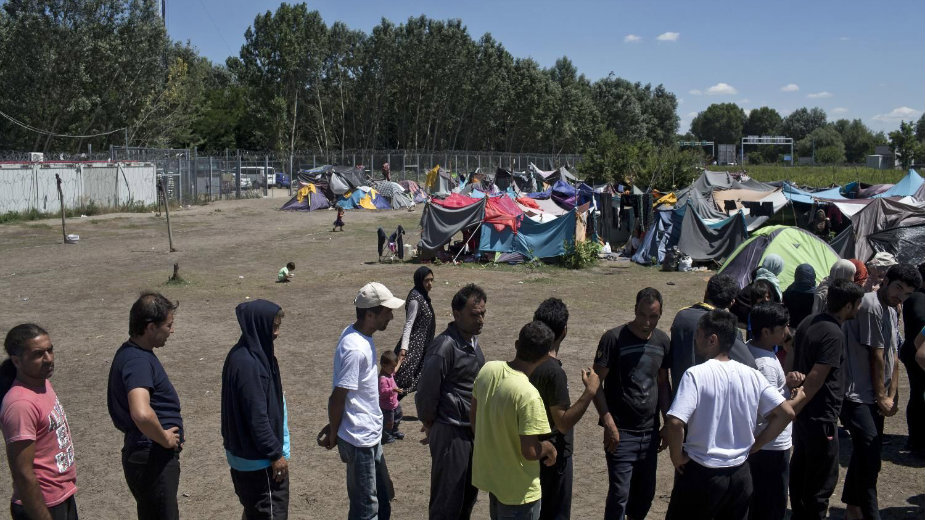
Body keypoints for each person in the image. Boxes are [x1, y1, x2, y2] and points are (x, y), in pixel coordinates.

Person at [663, 310, 796, 520]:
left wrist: (676, 455)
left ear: (712, 339)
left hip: (703, 472)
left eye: (698, 334)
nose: (695, 339)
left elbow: (675, 421)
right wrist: (757, 445)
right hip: (741, 474)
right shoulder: (752, 375)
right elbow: (786, 412)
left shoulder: (696, 374)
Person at [317, 282, 404, 520]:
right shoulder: (355, 348)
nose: (392, 317)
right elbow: (338, 396)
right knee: (366, 509)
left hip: (368, 432)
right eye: (387, 311)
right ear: (370, 313)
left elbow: (350, 394)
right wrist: (335, 431)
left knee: (383, 498)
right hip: (360, 439)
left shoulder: (360, 335)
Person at [840, 263, 920, 520]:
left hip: (874, 395)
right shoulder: (871, 305)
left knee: (868, 453)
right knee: (870, 453)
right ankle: (868, 513)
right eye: (898, 288)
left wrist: (893, 394)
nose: (901, 296)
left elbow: (893, 355)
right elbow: (875, 355)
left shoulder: (892, 311)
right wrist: (881, 396)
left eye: (907, 293)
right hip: (856, 393)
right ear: (886, 281)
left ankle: (853, 507)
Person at [592, 288, 672, 520]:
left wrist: (667, 422)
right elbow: (596, 384)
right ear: (634, 310)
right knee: (619, 496)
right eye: (642, 315)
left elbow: (663, 383)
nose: (647, 322)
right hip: (621, 433)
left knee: (645, 495)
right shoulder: (613, 339)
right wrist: (608, 422)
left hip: (649, 433)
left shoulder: (662, 341)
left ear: (660, 314)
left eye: (653, 316)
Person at [789, 278, 864, 520]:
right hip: (820, 415)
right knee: (821, 478)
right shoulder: (833, 333)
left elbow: (792, 356)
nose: (860, 308)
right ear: (849, 306)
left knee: (802, 467)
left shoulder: (809, 321)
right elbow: (815, 378)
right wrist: (792, 408)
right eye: (858, 304)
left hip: (804, 414)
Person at [107, 292, 183, 520]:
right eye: (168, 325)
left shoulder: (134, 353)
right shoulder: (137, 361)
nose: (172, 331)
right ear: (150, 327)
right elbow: (141, 413)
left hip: (147, 455)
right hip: (151, 457)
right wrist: (165, 439)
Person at [471, 321, 558, 519]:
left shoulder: (488, 370)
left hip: (494, 480)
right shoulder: (528, 395)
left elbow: (474, 418)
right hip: (520, 492)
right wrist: (549, 448)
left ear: (517, 344)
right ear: (545, 357)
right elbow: (529, 451)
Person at [415, 284, 487, 520]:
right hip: (451, 430)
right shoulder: (445, 346)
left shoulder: (473, 344)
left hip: (470, 431)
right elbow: (426, 391)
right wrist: (431, 422)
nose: (481, 320)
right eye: (474, 314)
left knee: (467, 496)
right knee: (447, 500)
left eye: (483, 314)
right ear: (457, 315)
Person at [529, 298, 599, 520]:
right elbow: (562, 422)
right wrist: (590, 392)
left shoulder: (526, 362)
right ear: (564, 330)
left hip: (532, 450)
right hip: (553, 456)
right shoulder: (553, 372)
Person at [221, 300, 290, 519]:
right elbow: (256, 416)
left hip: (249, 457)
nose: (277, 333)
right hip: (260, 462)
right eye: (273, 327)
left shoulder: (246, 355)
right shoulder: (249, 364)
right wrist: (275, 453)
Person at [1, 324, 78, 520]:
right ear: (17, 361)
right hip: (40, 506)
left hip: (62, 496)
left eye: (50, 350)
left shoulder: (42, 383)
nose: (49, 359)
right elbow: (23, 474)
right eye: (38, 354)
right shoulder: (20, 405)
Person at [745, 303, 808, 520]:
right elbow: (776, 413)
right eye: (782, 327)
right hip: (771, 444)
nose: (787, 332)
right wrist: (799, 396)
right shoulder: (767, 365)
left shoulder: (748, 349)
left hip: (760, 442)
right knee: (772, 506)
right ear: (766, 331)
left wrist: (786, 386)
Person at [668, 274, 757, 394]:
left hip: (680, 395)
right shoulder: (726, 328)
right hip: (708, 400)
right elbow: (749, 364)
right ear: (732, 303)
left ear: (706, 292)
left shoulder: (681, 316)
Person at [393, 267, 436, 394]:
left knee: (418, 378)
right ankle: (387, 407)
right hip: (413, 346)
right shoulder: (415, 299)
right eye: (427, 281)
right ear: (419, 281)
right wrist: (404, 349)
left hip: (422, 345)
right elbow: (408, 324)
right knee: (404, 378)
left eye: (432, 280)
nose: (430, 284)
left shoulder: (422, 296)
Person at [900, 262, 925, 456]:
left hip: (913, 350)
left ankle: (916, 438)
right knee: (918, 395)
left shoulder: (915, 296)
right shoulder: (917, 297)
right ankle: (916, 439)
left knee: (917, 395)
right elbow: (920, 319)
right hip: (916, 352)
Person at [378, 351, 404, 444]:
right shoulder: (383, 379)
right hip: (386, 406)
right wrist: (393, 390)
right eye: (391, 367)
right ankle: (385, 437)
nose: (393, 370)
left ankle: (394, 431)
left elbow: (395, 369)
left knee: (398, 416)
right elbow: (382, 392)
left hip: (394, 403)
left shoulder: (390, 372)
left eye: (394, 367)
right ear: (384, 366)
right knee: (388, 423)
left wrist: (400, 361)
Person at [783, 263, 817, 331]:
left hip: (791, 330)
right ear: (813, 276)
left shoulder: (788, 293)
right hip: (808, 330)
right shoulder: (817, 296)